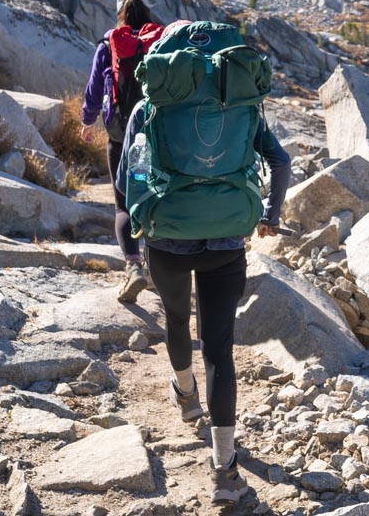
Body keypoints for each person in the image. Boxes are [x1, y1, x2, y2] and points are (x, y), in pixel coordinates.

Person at [115, 94, 291, 503]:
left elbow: (128, 180)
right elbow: (280, 162)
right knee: (218, 349)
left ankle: (186, 396)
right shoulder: (241, 103)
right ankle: (225, 472)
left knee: (177, 321)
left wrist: (145, 225)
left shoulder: (151, 106)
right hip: (226, 243)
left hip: (167, 241)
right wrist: (270, 214)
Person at [81, 0, 165, 302]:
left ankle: (133, 267)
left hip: (121, 136)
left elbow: (94, 85)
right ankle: (158, 271)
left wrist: (88, 120)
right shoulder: (161, 39)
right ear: (148, 8)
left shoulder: (110, 43)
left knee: (124, 202)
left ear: (120, 11)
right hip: (157, 136)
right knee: (152, 196)